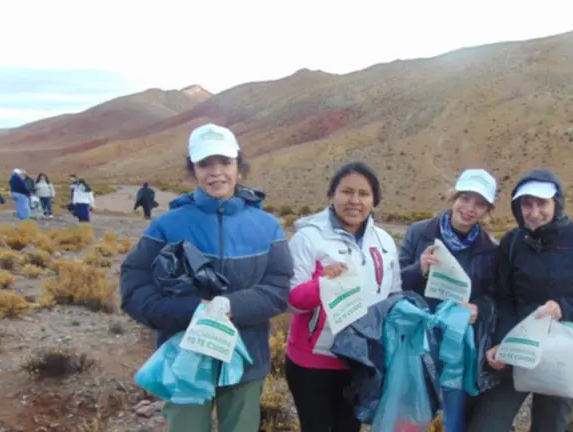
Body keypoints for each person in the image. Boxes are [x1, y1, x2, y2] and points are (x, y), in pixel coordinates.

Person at [119, 123, 293, 432]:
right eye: (205, 164)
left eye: (224, 162)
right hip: (184, 361)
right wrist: (194, 311)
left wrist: (230, 306)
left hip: (246, 361)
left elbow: (279, 288)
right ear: (193, 170)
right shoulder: (166, 226)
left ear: (239, 166)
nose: (216, 173)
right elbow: (134, 289)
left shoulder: (267, 227)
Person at [467, 169, 573, 432]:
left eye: (542, 203)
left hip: (565, 354)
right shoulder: (513, 242)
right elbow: (504, 298)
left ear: (557, 203)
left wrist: (564, 308)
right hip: (519, 349)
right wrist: (501, 342)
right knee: (487, 424)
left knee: (549, 426)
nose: (534, 212)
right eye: (526, 204)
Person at [285, 161, 402, 432]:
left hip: (361, 360)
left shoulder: (384, 241)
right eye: (347, 191)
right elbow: (291, 300)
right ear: (331, 195)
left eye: (364, 194)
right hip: (314, 360)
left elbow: (393, 294)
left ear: (374, 201)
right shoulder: (308, 238)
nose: (355, 201)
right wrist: (322, 285)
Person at [398, 169, 500, 432]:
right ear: (453, 198)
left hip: (458, 343)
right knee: (412, 409)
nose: (469, 208)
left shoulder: (490, 249)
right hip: (417, 339)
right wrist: (419, 268)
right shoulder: (419, 233)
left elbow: (494, 295)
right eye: (465, 198)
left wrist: (479, 308)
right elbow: (394, 282)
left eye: (479, 204)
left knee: (453, 414)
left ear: (487, 210)